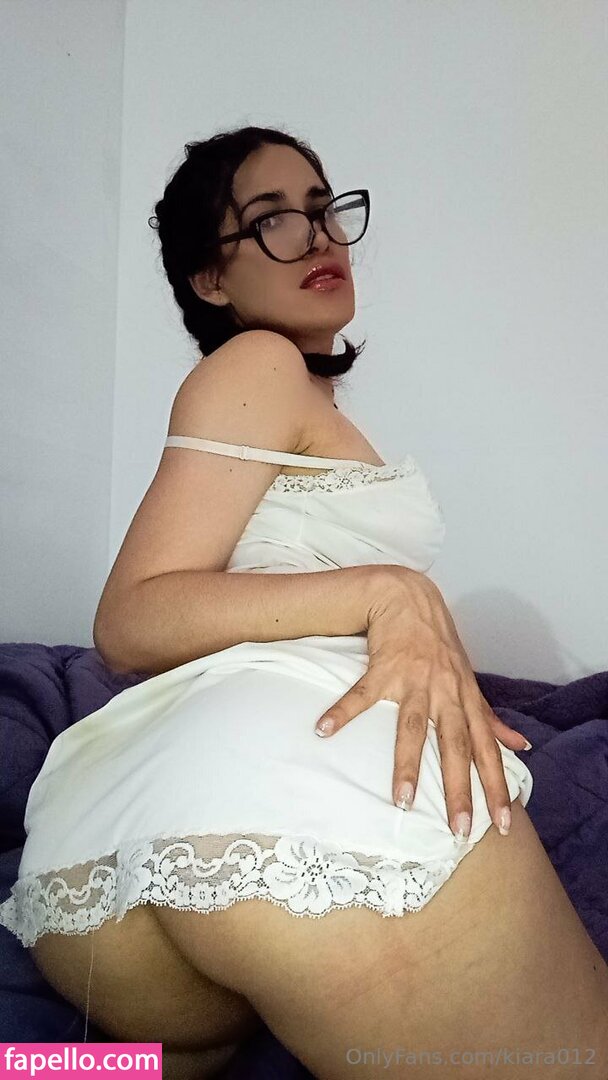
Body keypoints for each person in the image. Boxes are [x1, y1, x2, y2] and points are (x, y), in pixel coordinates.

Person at [1, 125, 607, 1080]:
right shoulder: (259, 365)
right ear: (210, 279)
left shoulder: (299, 401)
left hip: (104, 883)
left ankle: (40, 1065)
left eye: (324, 209)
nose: (318, 235)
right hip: (263, 795)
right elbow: (129, 619)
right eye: (270, 220)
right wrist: (390, 589)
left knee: (162, 1061)